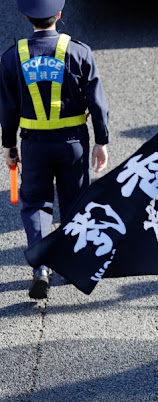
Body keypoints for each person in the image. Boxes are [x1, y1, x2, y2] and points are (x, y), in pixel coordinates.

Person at [1, 0, 109, 300]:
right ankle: (73, 264)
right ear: (59, 14)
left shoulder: (12, 57)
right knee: (74, 202)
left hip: (34, 144)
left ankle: (41, 267)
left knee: (35, 203)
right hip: (72, 142)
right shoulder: (78, 52)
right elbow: (97, 102)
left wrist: (9, 145)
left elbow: (7, 107)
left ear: (25, 17)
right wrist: (102, 140)